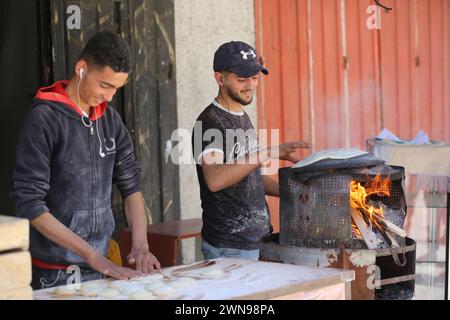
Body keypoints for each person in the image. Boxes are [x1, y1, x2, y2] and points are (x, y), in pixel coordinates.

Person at [11, 31, 160, 289]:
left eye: (117, 88)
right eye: (105, 85)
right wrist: (90, 254)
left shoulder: (111, 121)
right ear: (81, 69)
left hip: (101, 267)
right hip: (54, 273)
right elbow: (29, 204)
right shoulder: (44, 120)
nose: (110, 96)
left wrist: (141, 246)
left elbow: (131, 189)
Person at [192, 41, 310, 260]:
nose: (251, 85)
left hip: (258, 241)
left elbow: (253, 178)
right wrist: (266, 153)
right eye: (241, 79)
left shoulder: (242, 117)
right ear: (220, 79)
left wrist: (295, 194)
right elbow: (215, 179)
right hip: (229, 247)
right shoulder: (210, 123)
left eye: (254, 78)